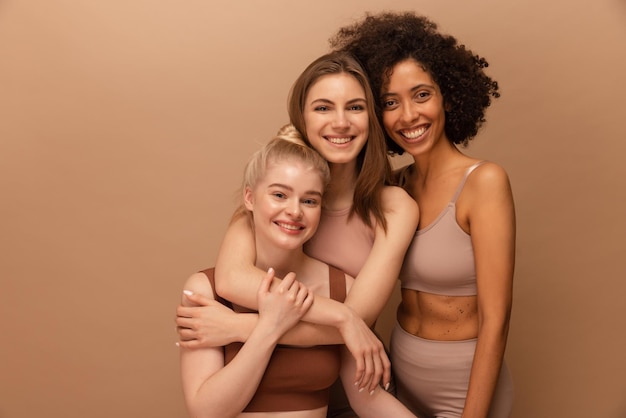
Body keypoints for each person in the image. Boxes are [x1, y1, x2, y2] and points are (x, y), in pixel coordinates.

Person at [176, 52, 419, 418]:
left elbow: (357, 321)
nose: (340, 122)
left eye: (354, 107)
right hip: (321, 367)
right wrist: (341, 317)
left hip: (351, 369)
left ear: (370, 118)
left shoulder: (393, 209)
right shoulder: (263, 209)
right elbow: (229, 280)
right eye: (323, 108)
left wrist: (239, 327)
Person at [330, 11, 516, 418]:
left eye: (421, 95)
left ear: (447, 94)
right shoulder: (392, 189)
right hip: (396, 378)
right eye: (390, 103)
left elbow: (496, 320)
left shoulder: (484, 182)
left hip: (464, 385)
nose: (408, 116)